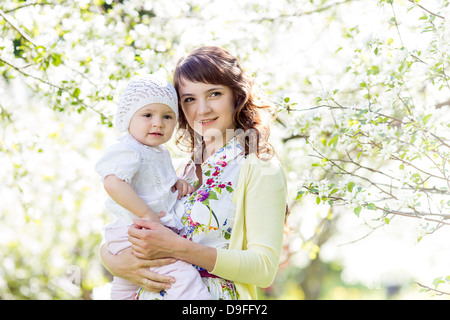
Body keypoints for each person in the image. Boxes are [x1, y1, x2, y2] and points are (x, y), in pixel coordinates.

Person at [100, 46, 288, 300]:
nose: (202, 110)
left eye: (214, 94)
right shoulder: (177, 170)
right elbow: (127, 222)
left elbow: (264, 268)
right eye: (189, 99)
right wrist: (111, 260)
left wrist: (179, 248)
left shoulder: (259, 168)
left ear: (236, 95)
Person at [95, 75, 211, 300]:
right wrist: (146, 213)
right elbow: (112, 181)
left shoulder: (159, 152)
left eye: (167, 116)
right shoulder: (129, 148)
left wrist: (175, 182)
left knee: (126, 287)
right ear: (129, 119)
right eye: (147, 115)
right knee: (182, 276)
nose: (158, 123)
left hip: (135, 234)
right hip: (136, 231)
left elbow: (154, 182)